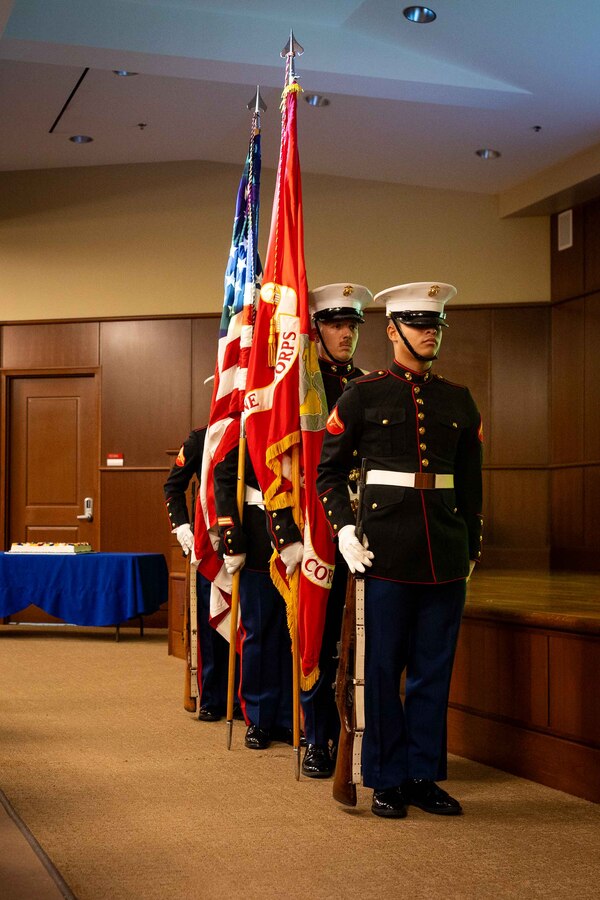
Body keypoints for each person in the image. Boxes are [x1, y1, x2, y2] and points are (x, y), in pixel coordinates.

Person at [317, 282, 483, 818]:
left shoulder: (458, 399)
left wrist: (471, 545)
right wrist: (344, 529)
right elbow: (328, 472)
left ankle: (421, 775)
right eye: (419, 325)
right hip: (384, 552)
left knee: (434, 672)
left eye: (436, 325)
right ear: (392, 330)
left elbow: (471, 484)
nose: (430, 334)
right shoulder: (362, 395)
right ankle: (386, 778)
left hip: (446, 553)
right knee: (382, 673)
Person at [299, 282, 373, 777]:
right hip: (315, 528)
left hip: (362, 530)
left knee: (359, 639)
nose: (346, 334)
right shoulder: (302, 388)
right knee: (319, 634)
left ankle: (359, 731)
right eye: (336, 325)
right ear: (317, 330)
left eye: (352, 325)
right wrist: (287, 534)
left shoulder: (368, 385)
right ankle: (317, 737)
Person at [213, 444, 295, 750]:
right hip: (259, 541)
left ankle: (290, 716)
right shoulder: (253, 433)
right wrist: (232, 536)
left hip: (302, 540)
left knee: (295, 636)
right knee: (259, 632)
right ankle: (260, 718)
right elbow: (223, 475)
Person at [164, 427, 237, 722]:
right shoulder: (201, 438)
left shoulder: (255, 429)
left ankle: (243, 699)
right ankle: (213, 698)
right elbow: (173, 487)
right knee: (211, 625)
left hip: (250, 540)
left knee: (248, 624)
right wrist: (182, 526)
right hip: (210, 544)